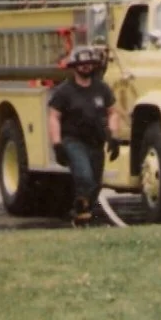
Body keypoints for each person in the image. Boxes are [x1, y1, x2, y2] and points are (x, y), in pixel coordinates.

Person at [48, 47, 119, 225]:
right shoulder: (64, 91)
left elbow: (113, 112)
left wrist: (114, 136)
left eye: (89, 63)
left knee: (95, 183)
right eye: (82, 64)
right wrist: (57, 144)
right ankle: (81, 212)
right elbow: (54, 117)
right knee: (84, 176)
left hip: (96, 142)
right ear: (74, 66)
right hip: (73, 141)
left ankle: (82, 212)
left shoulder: (101, 88)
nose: (86, 67)